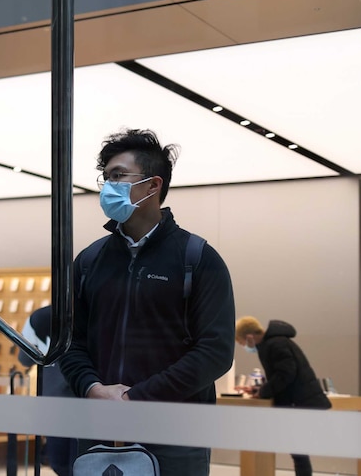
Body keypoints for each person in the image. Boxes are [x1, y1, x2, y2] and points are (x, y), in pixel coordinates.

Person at [58, 129, 235, 476]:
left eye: (118, 176)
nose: (107, 187)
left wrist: (134, 398)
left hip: (175, 436)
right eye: (105, 178)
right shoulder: (90, 261)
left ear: (153, 186)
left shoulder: (198, 258)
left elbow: (215, 352)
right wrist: (93, 389)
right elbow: (69, 342)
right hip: (99, 429)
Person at [235, 316, 331, 476]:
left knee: (298, 452)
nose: (244, 346)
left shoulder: (275, 344)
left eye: (242, 343)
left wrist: (263, 391)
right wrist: (256, 389)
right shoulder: (275, 342)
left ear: (249, 337)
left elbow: (286, 373)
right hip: (298, 401)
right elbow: (280, 376)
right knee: (298, 451)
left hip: (298, 402)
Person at [18, 306, 76, 476]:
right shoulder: (94, 310)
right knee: (84, 459)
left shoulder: (38, 318)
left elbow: (24, 359)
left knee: (60, 462)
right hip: (89, 396)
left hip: (54, 400)